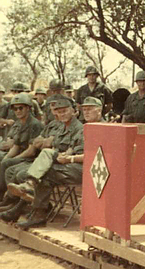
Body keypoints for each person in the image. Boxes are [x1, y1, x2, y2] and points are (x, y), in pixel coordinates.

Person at [3, 96, 100, 228]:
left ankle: (32, 208)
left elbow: (90, 155)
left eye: (65, 111)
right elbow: (67, 147)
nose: (62, 114)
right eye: (59, 112)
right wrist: (66, 154)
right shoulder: (65, 127)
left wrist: (69, 157)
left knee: (44, 172)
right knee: (42, 168)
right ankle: (32, 209)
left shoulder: (84, 128)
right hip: (66, 162)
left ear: (73, 111)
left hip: (82, 168)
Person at [0, 95, 79, 215]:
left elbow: (37, 149)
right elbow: (37, 143)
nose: (18, 111)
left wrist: (47, 145)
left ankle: (33, 208)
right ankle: (13, 202)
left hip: (54, 162)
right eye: (54, 108)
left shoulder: (72, 127)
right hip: (46, 160)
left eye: (20, 108)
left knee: (21, 172)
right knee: (11, 168)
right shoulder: (54, 124)